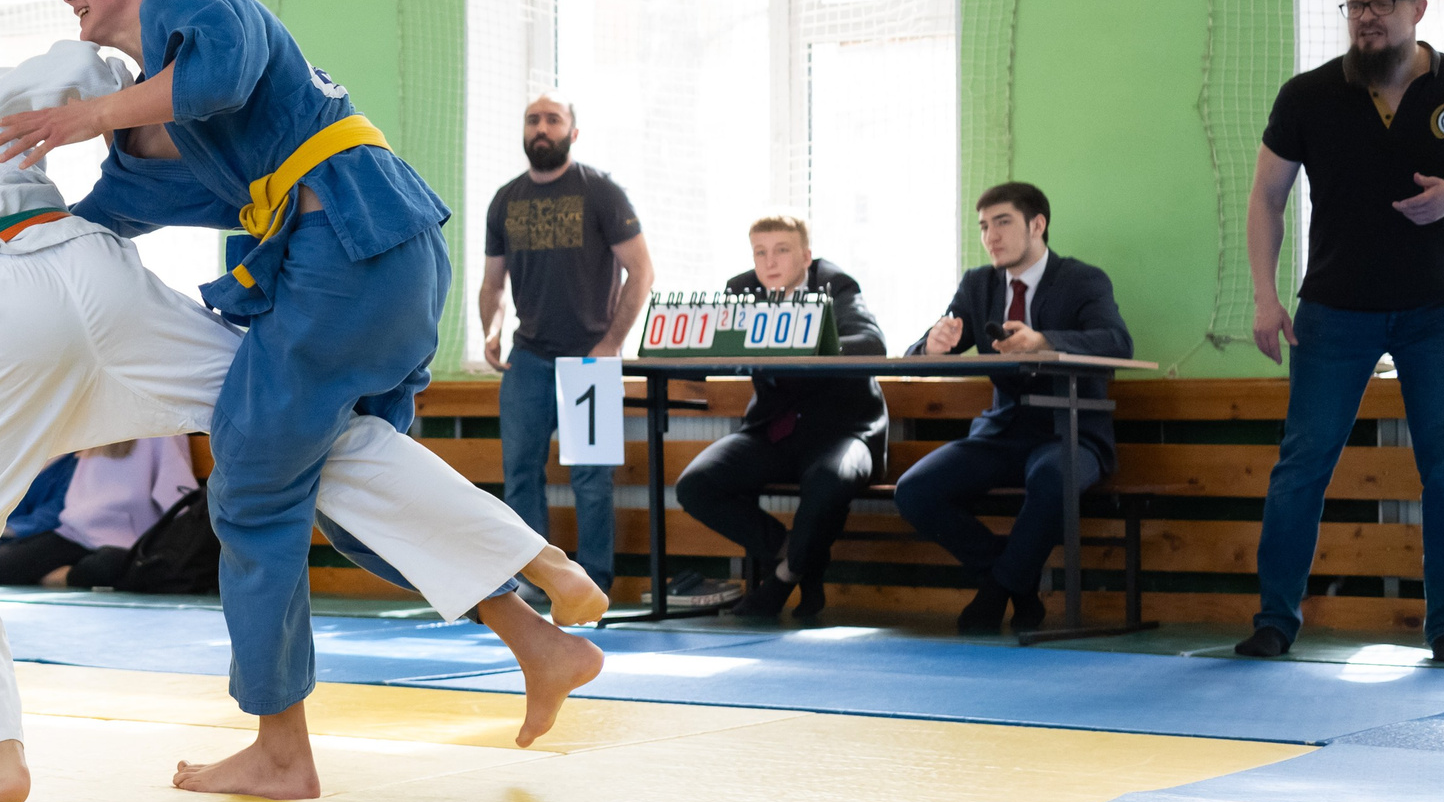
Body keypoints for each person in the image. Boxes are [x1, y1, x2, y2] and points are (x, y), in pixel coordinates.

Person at [0, 39, 606, 802]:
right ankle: (538, 565)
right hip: (92, 272)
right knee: (296, 423)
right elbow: (88, 71)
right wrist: (103, 107)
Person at [0, 0, 607, 802]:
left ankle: (287, 747)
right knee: (349, 492)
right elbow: (80, 233)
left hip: (345, 257)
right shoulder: (173, 139)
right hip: (381, 263)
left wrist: (84, 116)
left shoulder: (194, 2)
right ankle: (539, 639)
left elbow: (216, 75)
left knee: (247, 491)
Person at [1239, 0, 1444, 661]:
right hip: (1334, 309)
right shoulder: (1308, 95)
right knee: (1302, 464)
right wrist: (1266, 296)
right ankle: (1274, 620)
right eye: (1356, 5)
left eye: (1382, 5)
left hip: (1439, 309)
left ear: (1417, 9)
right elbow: (1267, 198)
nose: (1366, 18)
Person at [892, 183, 1133, 635]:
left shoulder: (1082, 280)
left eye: (1002, 222)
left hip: (1070, 431)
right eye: (984, 226)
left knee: (1052, 477)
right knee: (914, 491)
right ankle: (1015, 584)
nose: (991, 237)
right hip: (1001, 432)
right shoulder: (978, 284)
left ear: (1037, 225)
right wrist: (931, 345)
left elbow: (1118, 342)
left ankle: (995, 592)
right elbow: (922, 354)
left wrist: (1044, 341)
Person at [478, 94, 652, 590]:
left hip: (590, 361)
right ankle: (533, 585)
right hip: (527, 361)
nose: (541, 128)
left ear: (573, 133)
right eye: (533, 119)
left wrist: (612, 343)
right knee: (520, 476)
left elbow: (641, 271)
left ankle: (592, 587)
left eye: (553, 120)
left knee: (592, 482)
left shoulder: (602, 193)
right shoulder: (505, 200)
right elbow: (493, 284)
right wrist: (491, 331)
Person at [672, 217, 885, 620]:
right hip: (774, 428)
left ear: (806, 256)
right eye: (760, 252)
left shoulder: (835, 284)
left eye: (782, 250)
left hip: (843, 429)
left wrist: (798, 342)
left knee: (828, 479)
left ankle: (783, 580)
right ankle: (800, 557)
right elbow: (710, 349)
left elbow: (872, 343)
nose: (769, 262)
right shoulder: (741, 290)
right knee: (696, 486)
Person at [0, 437, 196, 590]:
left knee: (108, 565)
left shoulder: (161, 430)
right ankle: (63, 574)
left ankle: (63, 577)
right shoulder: (95, 427)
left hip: (127, 542)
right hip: (75, 534)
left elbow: (178, 499)